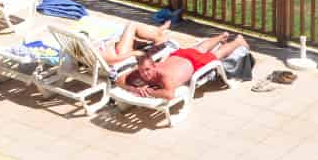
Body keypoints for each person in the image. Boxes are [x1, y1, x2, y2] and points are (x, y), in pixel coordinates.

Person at [120, 31, 249, 103]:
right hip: (180, 56)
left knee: (216, 54)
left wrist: (149, 92)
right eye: (142, 71)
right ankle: (222, 36)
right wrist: (133, 89)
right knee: (200, 48)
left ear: (154, 66)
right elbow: (118, 80)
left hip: (194, 63)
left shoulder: (164, 76)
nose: (145, 74)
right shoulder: (141, 71)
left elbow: (169, 94)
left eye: (147, 70)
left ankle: (238, 40)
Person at [98, 20, 173, 67]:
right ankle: (159, 37)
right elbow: (111, 60)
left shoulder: (88, 48)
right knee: (132, 26)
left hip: (116, 49)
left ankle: (158, 31)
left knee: (134, 37)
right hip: (120, 54)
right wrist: (133, 53)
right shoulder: (93, 52)